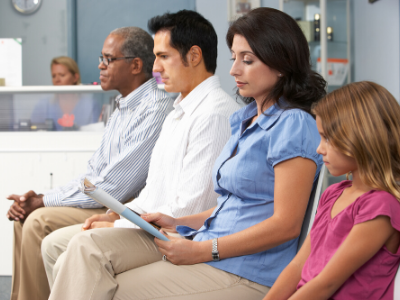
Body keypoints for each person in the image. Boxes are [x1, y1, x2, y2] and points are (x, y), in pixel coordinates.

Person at [48, 8, 326, 300]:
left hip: (246, 271)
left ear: (281, 63)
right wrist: (178, 221)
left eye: (248, 60)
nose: (234, 70)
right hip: (212, 249)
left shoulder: (292, 123)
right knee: (91, 270)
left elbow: (286, 225)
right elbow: (229, 208)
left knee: (108, 288)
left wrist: (203, 249)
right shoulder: (246, 119)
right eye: (234, 59)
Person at [42, 8, 239, 292]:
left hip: (176, 236)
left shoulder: (214, 114)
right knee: (54, 246)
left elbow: (189, 210)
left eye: (163, 56)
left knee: (83, 247)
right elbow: (152, 192)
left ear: (194, 56)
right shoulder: (178, 111)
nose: (155, 68)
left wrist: (118, 227)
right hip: (151, 228)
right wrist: (115, 217)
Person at [6, 27, 172, 300]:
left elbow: (113, 188)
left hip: (123, 210)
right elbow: (93, 174)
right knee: (24, 218)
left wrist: (44, 202)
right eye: (101, 58)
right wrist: (42, 197)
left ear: (136, 65)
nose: (100, 65)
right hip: (106, 201)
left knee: (37, 221)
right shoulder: (122, 106)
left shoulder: (154, 108)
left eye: (108, 59)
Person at [264, 81, 400, 300]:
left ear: (362, 138)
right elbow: (299, 265)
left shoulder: (381, 207)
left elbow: (327, 283)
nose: (319, 149)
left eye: (327, 138)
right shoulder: (333, 194)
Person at [31, 56, 101, 130]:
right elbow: (32, 130)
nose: (57, 80)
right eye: (53, 76)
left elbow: (96, 133)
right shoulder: (43, 105)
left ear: (75, 78)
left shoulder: (90, 105)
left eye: (62, 75)